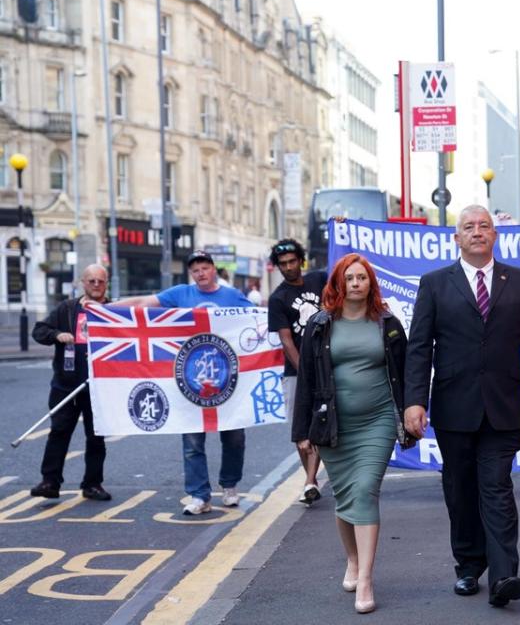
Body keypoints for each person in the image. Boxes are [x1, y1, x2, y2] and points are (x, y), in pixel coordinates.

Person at [404, 205, 520, 609]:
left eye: (484, 225)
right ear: (457, 238)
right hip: (453, 406)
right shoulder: (434, 284)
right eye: (468, 227)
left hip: (502, 406)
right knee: (460, 488)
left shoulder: (519, 281)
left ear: (495, 235)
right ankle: (469, 565)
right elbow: (419, 348)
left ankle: (505, 574)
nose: (477, 231)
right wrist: (415, 401)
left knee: (497, 488)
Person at [292, 253, 409, 614]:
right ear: (339, 284)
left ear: (371, 283)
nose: (356, 283)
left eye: (362, 277)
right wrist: (302, 432)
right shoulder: (320, 324)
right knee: (345, 499)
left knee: (364, 490)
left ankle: (367, 579)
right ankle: (353, 560)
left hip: (378, 422)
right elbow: (307, 381)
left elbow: (405, 374)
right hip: (334, 425)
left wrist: (411, 414)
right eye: (350, 278)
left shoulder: (387, 323)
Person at [116, 250, 253, 515]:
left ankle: (230, 485)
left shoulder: (232, 296)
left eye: (204, 268)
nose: (200, 273)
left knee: (234, 435)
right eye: (195, 270)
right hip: (190, 378)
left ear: (214, 269)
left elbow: (255, 323)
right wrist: (107, 308)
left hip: (227, 379)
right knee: (192, 440)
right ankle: (199, 496)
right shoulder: (180, 294)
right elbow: (144, 303)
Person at [29, 264, 113, 502]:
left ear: (107, 283)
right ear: (82, 283)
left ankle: (93, 484)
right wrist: (56, 335)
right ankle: (50, 482)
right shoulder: (67, 309)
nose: (96, 285)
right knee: (59, 432)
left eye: (101, 281)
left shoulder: (113, 310)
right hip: (66, 385)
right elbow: (39, 330)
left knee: (96, 436)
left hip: (99, 387)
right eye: (91, 281)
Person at [266, 238, 327, 505]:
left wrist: (342, 226)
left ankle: (310, 480)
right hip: (297, 372)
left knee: (324, 422)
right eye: (283, 264)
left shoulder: (319, 279)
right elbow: (286, 340)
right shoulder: (278, 298)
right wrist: (306, 373)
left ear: (301, 260)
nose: (288, 268)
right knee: (302, 427)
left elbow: (346, 262)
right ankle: (310, 479)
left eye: (292, 262)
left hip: (328, 365)